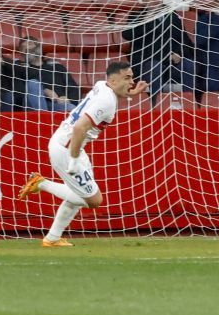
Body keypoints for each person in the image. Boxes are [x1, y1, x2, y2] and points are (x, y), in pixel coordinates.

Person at [18, 61, 148, 247]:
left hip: (69, 145)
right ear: (113, 80)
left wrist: (132, 93)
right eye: (127, 78)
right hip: (67, 149)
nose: (132, 82)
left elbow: (115, 92)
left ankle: (52, 238)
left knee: (79, 193)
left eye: (132, 78)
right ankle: (41, 183)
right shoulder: (106, 101)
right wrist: (73, 159)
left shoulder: (102, 85)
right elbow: (80, 128)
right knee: (94, 200)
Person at [122, 0, 197, 104]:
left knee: (189, 65)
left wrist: (179, 54)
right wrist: (147, 17)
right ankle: (155, 104)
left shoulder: (171, 15)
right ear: (144, 0)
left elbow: (183, 39)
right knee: (155, 67)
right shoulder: (136, 16)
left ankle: (189, 102)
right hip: (148, 63)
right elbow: (127, 34)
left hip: (171, 64)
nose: (155, 0)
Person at [17, 37, 79, 112]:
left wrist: (68, 99)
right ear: (21, 52)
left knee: (70, 107)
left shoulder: (56, 66)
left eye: (30, 44)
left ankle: (44, 116)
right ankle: (42, 117)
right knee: (33, 83)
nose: (28, 48)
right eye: (24, 47)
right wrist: (44, 91)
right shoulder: (19, 67)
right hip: (31, 104)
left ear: (38, 47)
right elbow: (17, 89)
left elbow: (72, 87)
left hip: (56, 104)